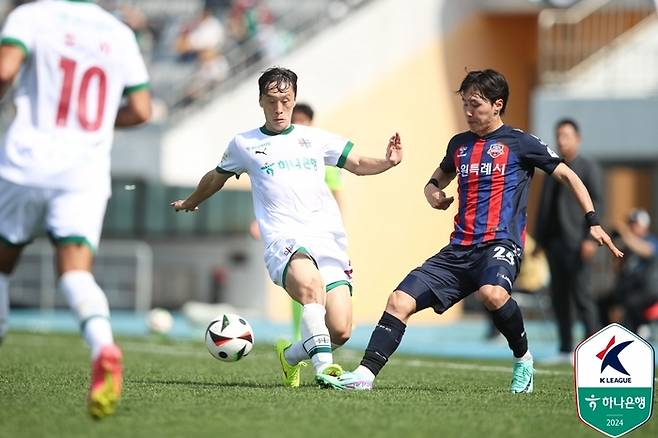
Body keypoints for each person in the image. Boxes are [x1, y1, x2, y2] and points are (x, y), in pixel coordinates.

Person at [331, 69, 622, 392]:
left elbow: (568, 176)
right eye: (465, 104)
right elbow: (435, 180)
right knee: (399, 300)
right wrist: (433, 195)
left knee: (492, 294)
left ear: (497, 105)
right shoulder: (459, 144)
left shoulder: (521, 143)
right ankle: (364, 376)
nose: (468, 112)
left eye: (476, 104)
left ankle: (523, 359)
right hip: (458, 250)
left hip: (500, 244)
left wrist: (593, 221)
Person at [170, 67, 402, 389]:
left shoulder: (314, 138)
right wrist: (192, 201)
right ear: (261, 101)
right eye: (272, 101)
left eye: (285, 101)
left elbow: (358, 164)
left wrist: (387, 162)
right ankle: (326, 370)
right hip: (284, 238)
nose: (279, 109)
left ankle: (290, 356)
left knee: (341, 330)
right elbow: (216, 176)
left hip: (327, 239)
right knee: (311, 290)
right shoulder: (244, 144)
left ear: (293, 100)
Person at [0, 0, 151, 418]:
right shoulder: (118, 32)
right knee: (76, 273)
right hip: (84, 170)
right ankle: (104, 345)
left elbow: (4, 70)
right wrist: (101, 120)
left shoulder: (30, 16)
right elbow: (141, 109)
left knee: (1, 265)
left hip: (26, 161)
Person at [534, 118, 603, 363]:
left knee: (582, 297)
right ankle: (565, 349)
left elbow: (598, 203)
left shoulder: (587, 167)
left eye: (566, 135)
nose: (561, 140)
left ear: (577, 138)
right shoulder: (553, 167)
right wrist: (540, 240)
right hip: (555, 244)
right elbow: (544, 207)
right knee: (559, 297)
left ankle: (594, 351)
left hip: (578, 243)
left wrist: (590, 240)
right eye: (558, 136)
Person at [612, 209, 658, 333]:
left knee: (629, 303)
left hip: (647, 291)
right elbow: (618, 270)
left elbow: (646, 250)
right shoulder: (627, 246)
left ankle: (643, 328)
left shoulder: (651, 240)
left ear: (644, 226)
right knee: (607, 303)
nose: (631, 227)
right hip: (630, 291)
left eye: (634, 224)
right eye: (629, 224)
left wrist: (625, 233)